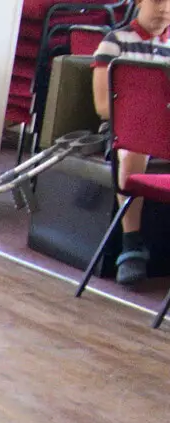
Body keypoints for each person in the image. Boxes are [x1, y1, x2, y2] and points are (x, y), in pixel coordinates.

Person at [92, 0, 170, 285]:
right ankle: (131, 243)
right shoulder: (114, 42)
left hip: (165, 129)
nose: (164, 8)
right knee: (134, 147)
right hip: (123, 129)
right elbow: (103, 106)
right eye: (157, 1)